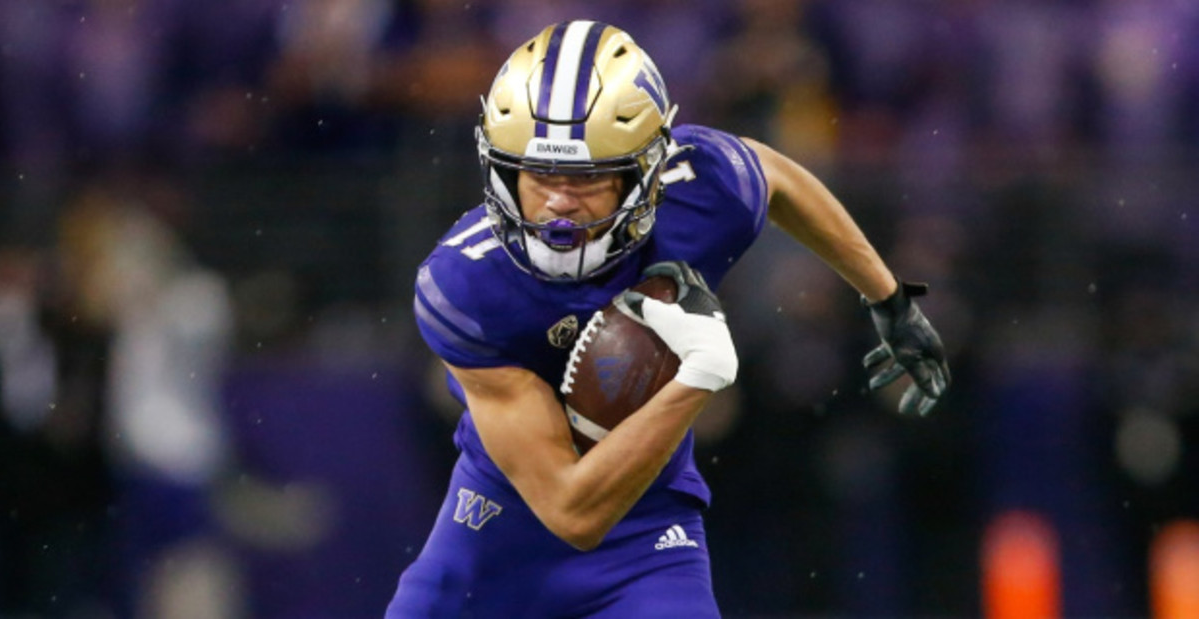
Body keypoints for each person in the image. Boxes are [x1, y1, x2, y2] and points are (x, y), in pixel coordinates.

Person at [389, 20, 950, 617]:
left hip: (646, 539)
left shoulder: (696, 190)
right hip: (495, 534)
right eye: (539, 174)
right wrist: (698, 377)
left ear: (649, 173)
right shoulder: (465, 283)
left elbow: (775, 175)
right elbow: (571, 511)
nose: (557, 202)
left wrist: (886, 298)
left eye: (586, 177)